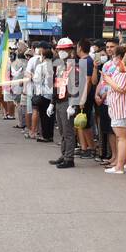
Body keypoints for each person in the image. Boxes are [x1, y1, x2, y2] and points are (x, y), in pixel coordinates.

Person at [49, 38, 81, 169]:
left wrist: (73, 104)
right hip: (59, 101)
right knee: (62, 131)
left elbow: (77, 85)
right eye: (59, 49)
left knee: (68, 132)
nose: (61, 52)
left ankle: (69, 158)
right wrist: (52, 102)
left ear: (70, 50)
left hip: (67, 101)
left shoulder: (75, 66)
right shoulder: (59, 65)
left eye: (63, 49)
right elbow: (56, 85)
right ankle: (64, 154)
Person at [103, 44, 126, 173]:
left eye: (115, 56)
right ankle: (123, 164)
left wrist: (108, 80)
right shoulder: (119, 70)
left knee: (122, 138)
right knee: (121, 137)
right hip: (116, 108)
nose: (113, 58)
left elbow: (122, 89)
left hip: (122, 109)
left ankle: (120, 166)